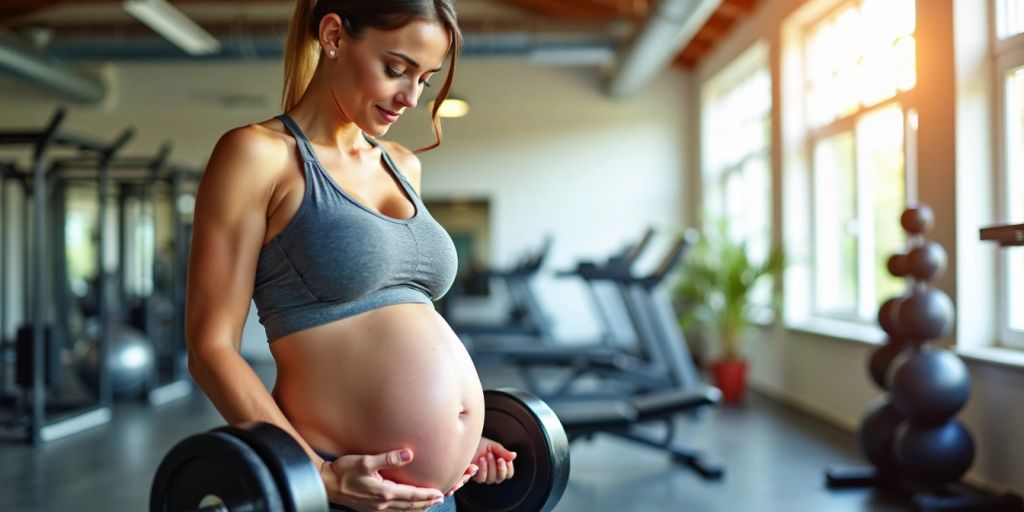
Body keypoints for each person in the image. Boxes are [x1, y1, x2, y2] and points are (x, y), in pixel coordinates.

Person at [184, 1, 515, 510]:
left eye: (425, 79)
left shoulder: (402, 165)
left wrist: (462, 441)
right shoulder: (258, 154)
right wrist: (314, 473)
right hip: (342, 486)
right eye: (396, 69)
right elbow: (211, 348)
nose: (410, 97)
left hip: (436, 495)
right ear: (335, 36)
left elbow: (408, 325)